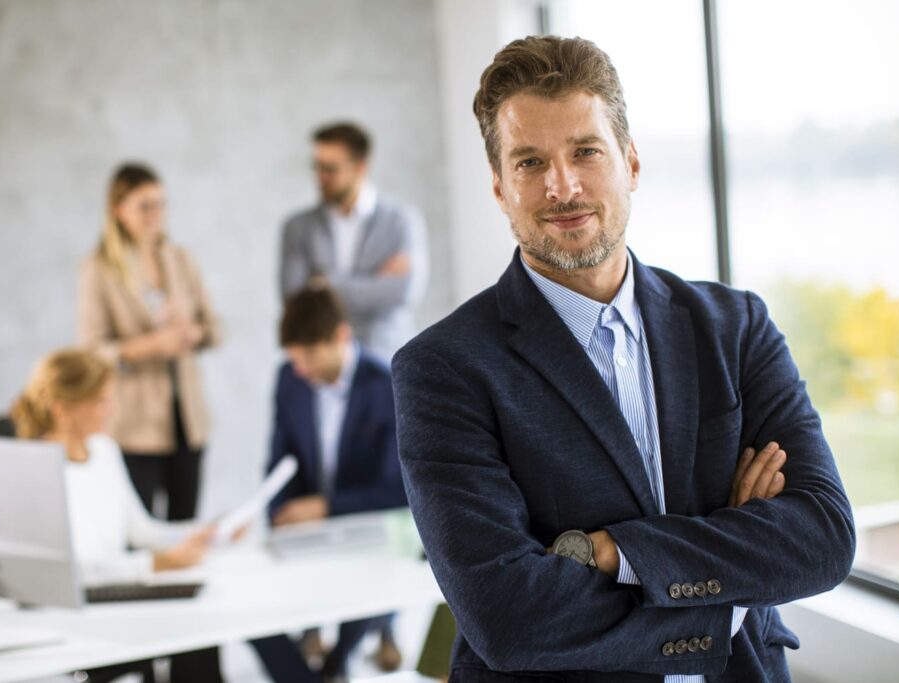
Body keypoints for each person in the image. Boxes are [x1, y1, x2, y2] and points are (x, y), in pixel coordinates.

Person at [391, 36, 855, 682]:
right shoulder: (442, 369)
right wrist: (729, 591)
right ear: (499, 188)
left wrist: (614, 551)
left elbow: (823, 537)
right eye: (530, 162)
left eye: (585, 151)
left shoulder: (735, 327)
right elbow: (507, 615)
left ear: (631, 163)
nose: (562, 185)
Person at [10, 349, 222, 683]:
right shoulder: (35, 472)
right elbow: (76, 571)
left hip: (122, 594)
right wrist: (156, 564)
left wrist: (201, 532)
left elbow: (142, 532)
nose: (111, 410)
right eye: (100, 401)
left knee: (205, 629)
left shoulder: (105, 450)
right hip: (80, 614)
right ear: (62, 409)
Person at [266, 285, 408, 679]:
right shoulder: (289, 380)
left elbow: (396, 490)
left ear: (341, 337)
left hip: (368, 526)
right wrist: (276, 511)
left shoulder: (386, 385)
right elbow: (279, 460)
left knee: (368, 582)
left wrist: (326, 509)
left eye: (308, 355)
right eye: (293, 357)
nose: (300, 368)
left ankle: (336, 662)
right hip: (309, 528)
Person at [78, 162, 221, 521]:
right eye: (145, 206)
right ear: (118, 209)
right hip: (135, 427)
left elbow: (215, 329)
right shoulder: (98, 270)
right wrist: (152, 345)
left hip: (188, 421)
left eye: (161, 204)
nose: (156, 215)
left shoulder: (180, 258)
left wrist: (193, 333)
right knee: (141, 530)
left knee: (184, 524)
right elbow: (92, 353)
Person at [280, 122, 429, 363]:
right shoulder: (298, 228)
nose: (320, 177)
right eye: (316, 167)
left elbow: (402, 292)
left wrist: (324, 284)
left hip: (388, 359)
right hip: (323, 366)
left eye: (330, 169)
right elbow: (296, 300)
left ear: (360, 167)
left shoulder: (401, 222)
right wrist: (373, 283)